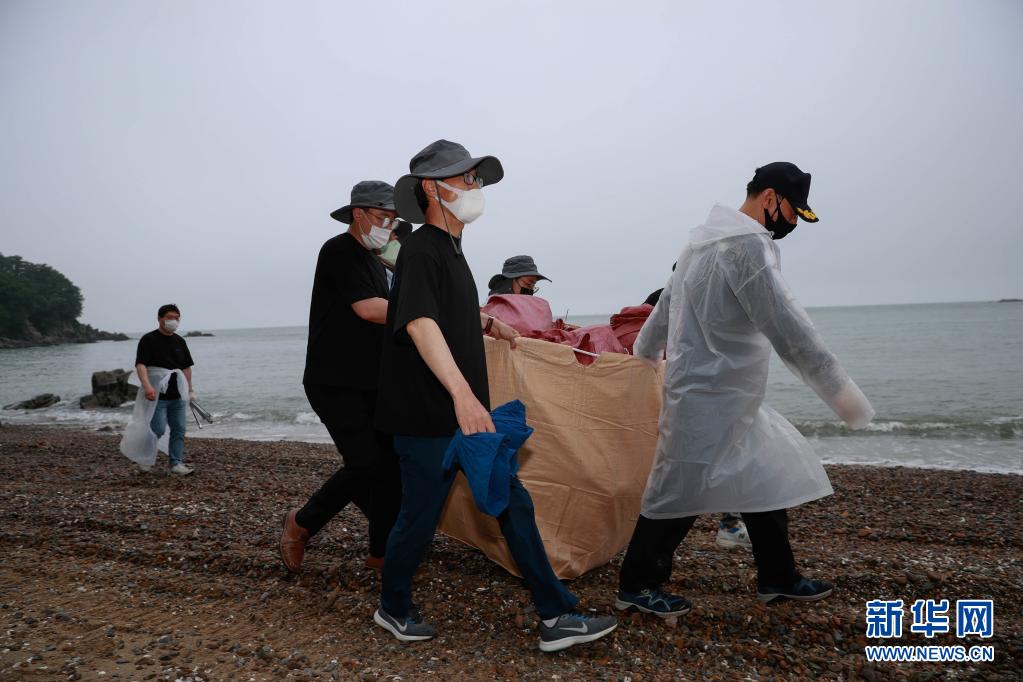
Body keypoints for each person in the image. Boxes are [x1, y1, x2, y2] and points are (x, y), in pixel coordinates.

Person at [373, 139, 617, 652]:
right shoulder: (421, 249)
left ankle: (555, 613)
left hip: (464, 416)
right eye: (464, 178)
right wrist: (464, 396)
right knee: (418, 519)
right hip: (428, 416)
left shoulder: (451, 250)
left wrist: (488, 323)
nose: (474, 186)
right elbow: (419, 322)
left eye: (475, 178)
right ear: (431, 189)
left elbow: (445, 311)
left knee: (512, 503)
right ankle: (392, 607)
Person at [616, 162, 875, 616]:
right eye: (793, 212)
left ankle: (778, 577)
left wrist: (644, 354)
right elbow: (787, 326)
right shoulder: (746, 245)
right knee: (677, 491)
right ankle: (636, 585)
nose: (793, 224)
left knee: (764, 473)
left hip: (727, 396)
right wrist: (843, 396)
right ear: (770, 197)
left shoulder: (698, 244)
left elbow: (664, 310)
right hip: (708, 399)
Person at [278, 180, 402, 574]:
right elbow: (368, 310)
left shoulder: (377, 262)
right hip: (333, 380)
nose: (389, 225)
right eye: (383, 216)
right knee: (365, 464)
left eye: (393, 219)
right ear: (358, 214)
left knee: (391, 469)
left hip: (374, 381)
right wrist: (431, 310)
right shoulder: (338, 250)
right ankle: (301, 523)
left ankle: (381, 553)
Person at [643, 284, 752, 551]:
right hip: (691, 402)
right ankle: (730, 525)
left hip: (678, 401)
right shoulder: (676, 303)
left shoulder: (669, 299)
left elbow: (645, 346)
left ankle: (651, 553)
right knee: (713, 465)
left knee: (699, 470)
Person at [134, 303, 195, 475]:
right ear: (160, 318)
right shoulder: (148, 339)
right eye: (169, 317)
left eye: (177, 318)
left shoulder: (180, 341)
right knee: (158, 428)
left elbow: (186, 367)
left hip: (178, 394)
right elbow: (141, 365)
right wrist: (146, 386)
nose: (174, 321)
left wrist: (190, 390)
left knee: (179, 429)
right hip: (156, 393)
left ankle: (176, 463)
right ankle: (144, 458)